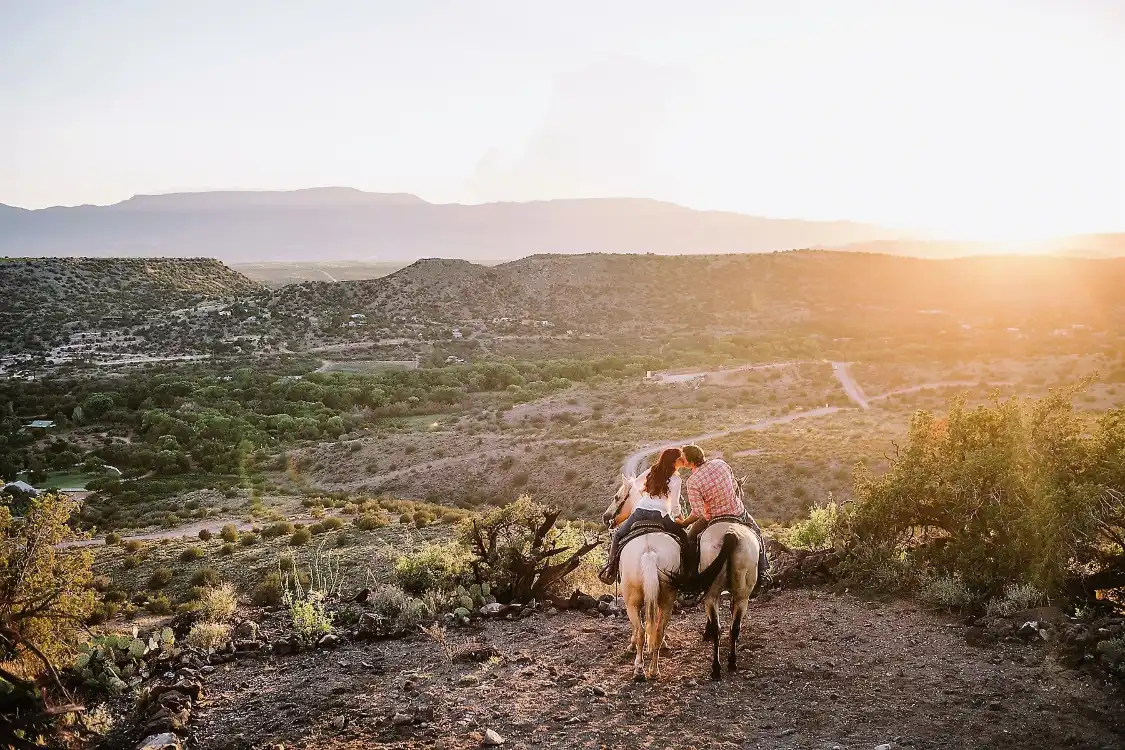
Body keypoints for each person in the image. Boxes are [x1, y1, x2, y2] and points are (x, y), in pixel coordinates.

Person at [677, 444, 771, 583]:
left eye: (683, 459)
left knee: (690, 540)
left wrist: (684, 523)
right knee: (757, 532)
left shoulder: (692, 482)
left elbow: (697, 512)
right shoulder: (721, 463)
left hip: (713, 518)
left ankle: (689, 577)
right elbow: (734, 485)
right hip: (737, 512)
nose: (682, 461)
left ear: (690, 463)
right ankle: (763, 570)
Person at [598, 447, 689, 585]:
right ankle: (686, 574)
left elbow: (636, 483)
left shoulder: (653, 470)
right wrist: (679, 518)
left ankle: (611, 570)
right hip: (660, 515)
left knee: (618, 535)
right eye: (680, 459)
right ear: (673, 462)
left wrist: (644, 492)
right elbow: (675, 505)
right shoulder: (676, 480)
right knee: (683, 537)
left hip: (640, 511)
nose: (683, 460)